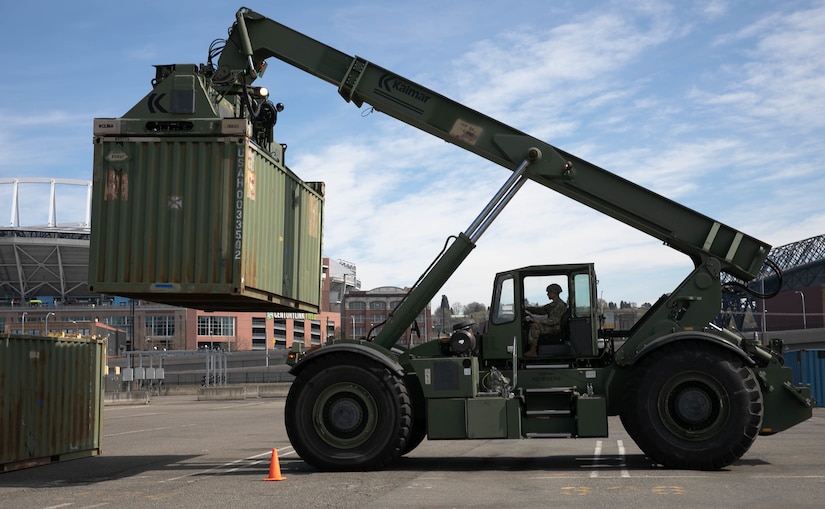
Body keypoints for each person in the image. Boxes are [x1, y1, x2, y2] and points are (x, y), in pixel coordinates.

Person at [524, 283, 568, 357]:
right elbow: (541, 310)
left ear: (555, 293)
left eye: (549, 292)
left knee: (535, 327)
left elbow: (555, 320)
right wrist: (526, 308)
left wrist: (540, 321)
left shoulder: (560, 305)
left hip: (556, 327)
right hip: (553, 325)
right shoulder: (554, 304)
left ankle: (533, 351)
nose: (548, 294)